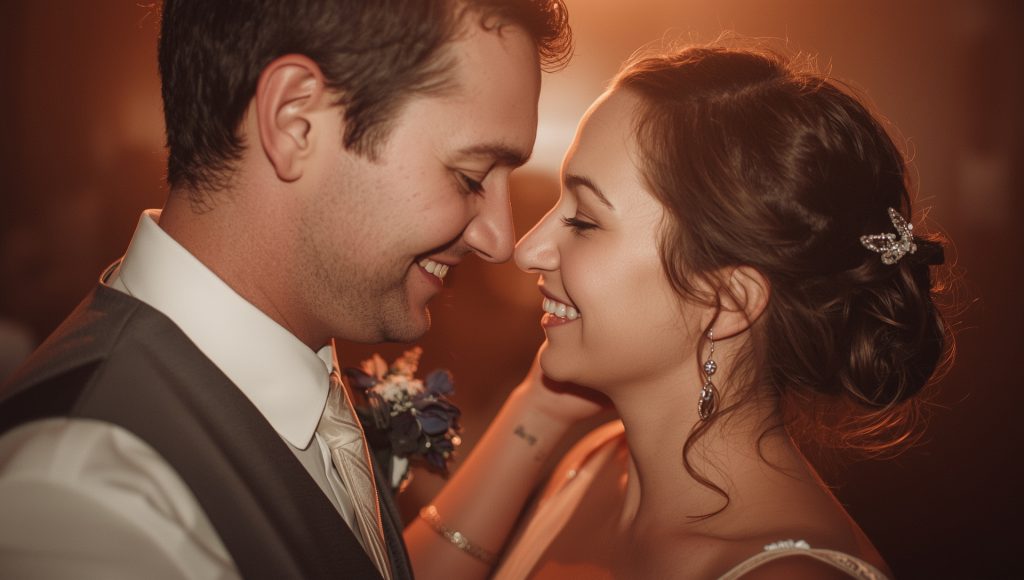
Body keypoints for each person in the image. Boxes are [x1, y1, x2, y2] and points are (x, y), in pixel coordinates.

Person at [0, 1, 571, 579]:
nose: (500, 240)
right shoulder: (86, 496)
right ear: (294, 121)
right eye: (470, 176)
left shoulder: (295, 360)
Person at [408, 45, 951, 579]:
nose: (525, 248)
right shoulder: (596, 465)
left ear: (726, 302)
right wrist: (536, 412)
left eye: (585, 221)